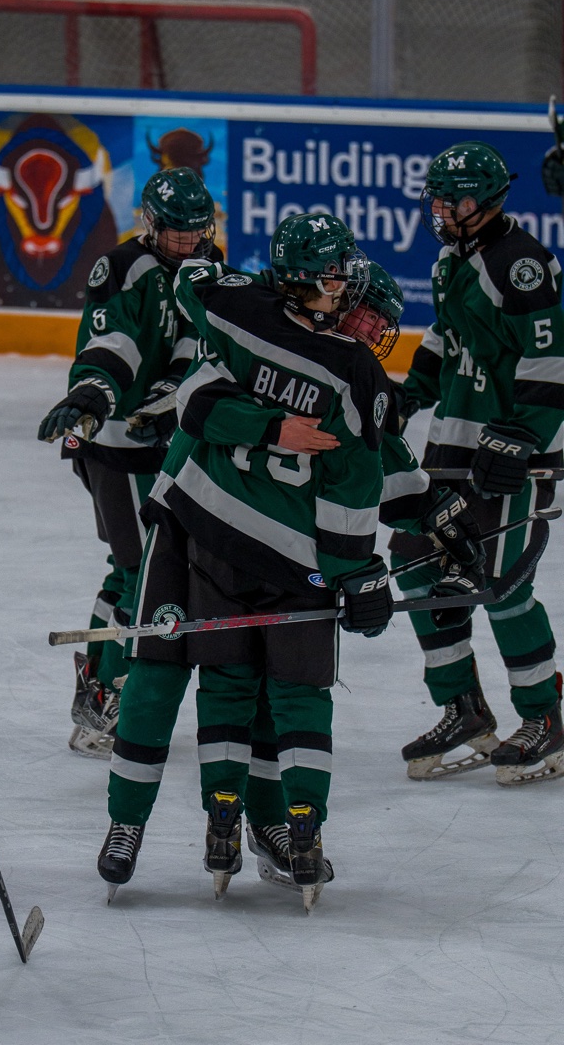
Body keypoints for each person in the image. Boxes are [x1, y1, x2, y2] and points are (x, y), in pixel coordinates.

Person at [97, 213, 395, 910]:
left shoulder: (239, 312)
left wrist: (423, 527)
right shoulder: (346, 369)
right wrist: (356, 568)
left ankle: (260, 820)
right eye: (335, 280)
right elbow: (199, 404)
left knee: (251, 682)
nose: (346, 295)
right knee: (158, 675)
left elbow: (199, 384)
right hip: (188, 525)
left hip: (241, 539)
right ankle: (126, 823)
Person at [243, 262, 485, 886]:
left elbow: (380, 460)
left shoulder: (333, 358)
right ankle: (258, 819)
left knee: (285, 690)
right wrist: (364, 566)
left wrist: (435, 510)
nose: (378, 330)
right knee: (258, 691)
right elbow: (362, 471)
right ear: (338, 301)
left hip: (294, 553)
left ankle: (276, 823)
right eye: (371, 316)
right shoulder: (322, 362)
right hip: (263, 548)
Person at [392, 141, 564, 784]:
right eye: (437, 199)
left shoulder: (521, 264)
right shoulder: (451, 259)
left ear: (488, 201)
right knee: (416, 567)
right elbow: (447, 337)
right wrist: (409, 393)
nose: (441, 210)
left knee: (501, 581)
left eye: (454, 200)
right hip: (452, 445)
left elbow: (551, 359)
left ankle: (544, 717)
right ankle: (462, 708)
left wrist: (521, 436)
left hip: (511, 452)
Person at [38, 166, 217, 758]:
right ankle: (106, 691)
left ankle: (98, 686)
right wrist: (94, 391)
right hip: (116, 444)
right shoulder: (122, 267)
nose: (188, 242)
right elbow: (113, 341)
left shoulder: (207, 264)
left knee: (133, 567)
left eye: (197, 231)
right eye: (176, 233)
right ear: (151, 224)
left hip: (166, 445)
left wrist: (176, 395)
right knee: (142, 570)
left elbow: (200, 340)